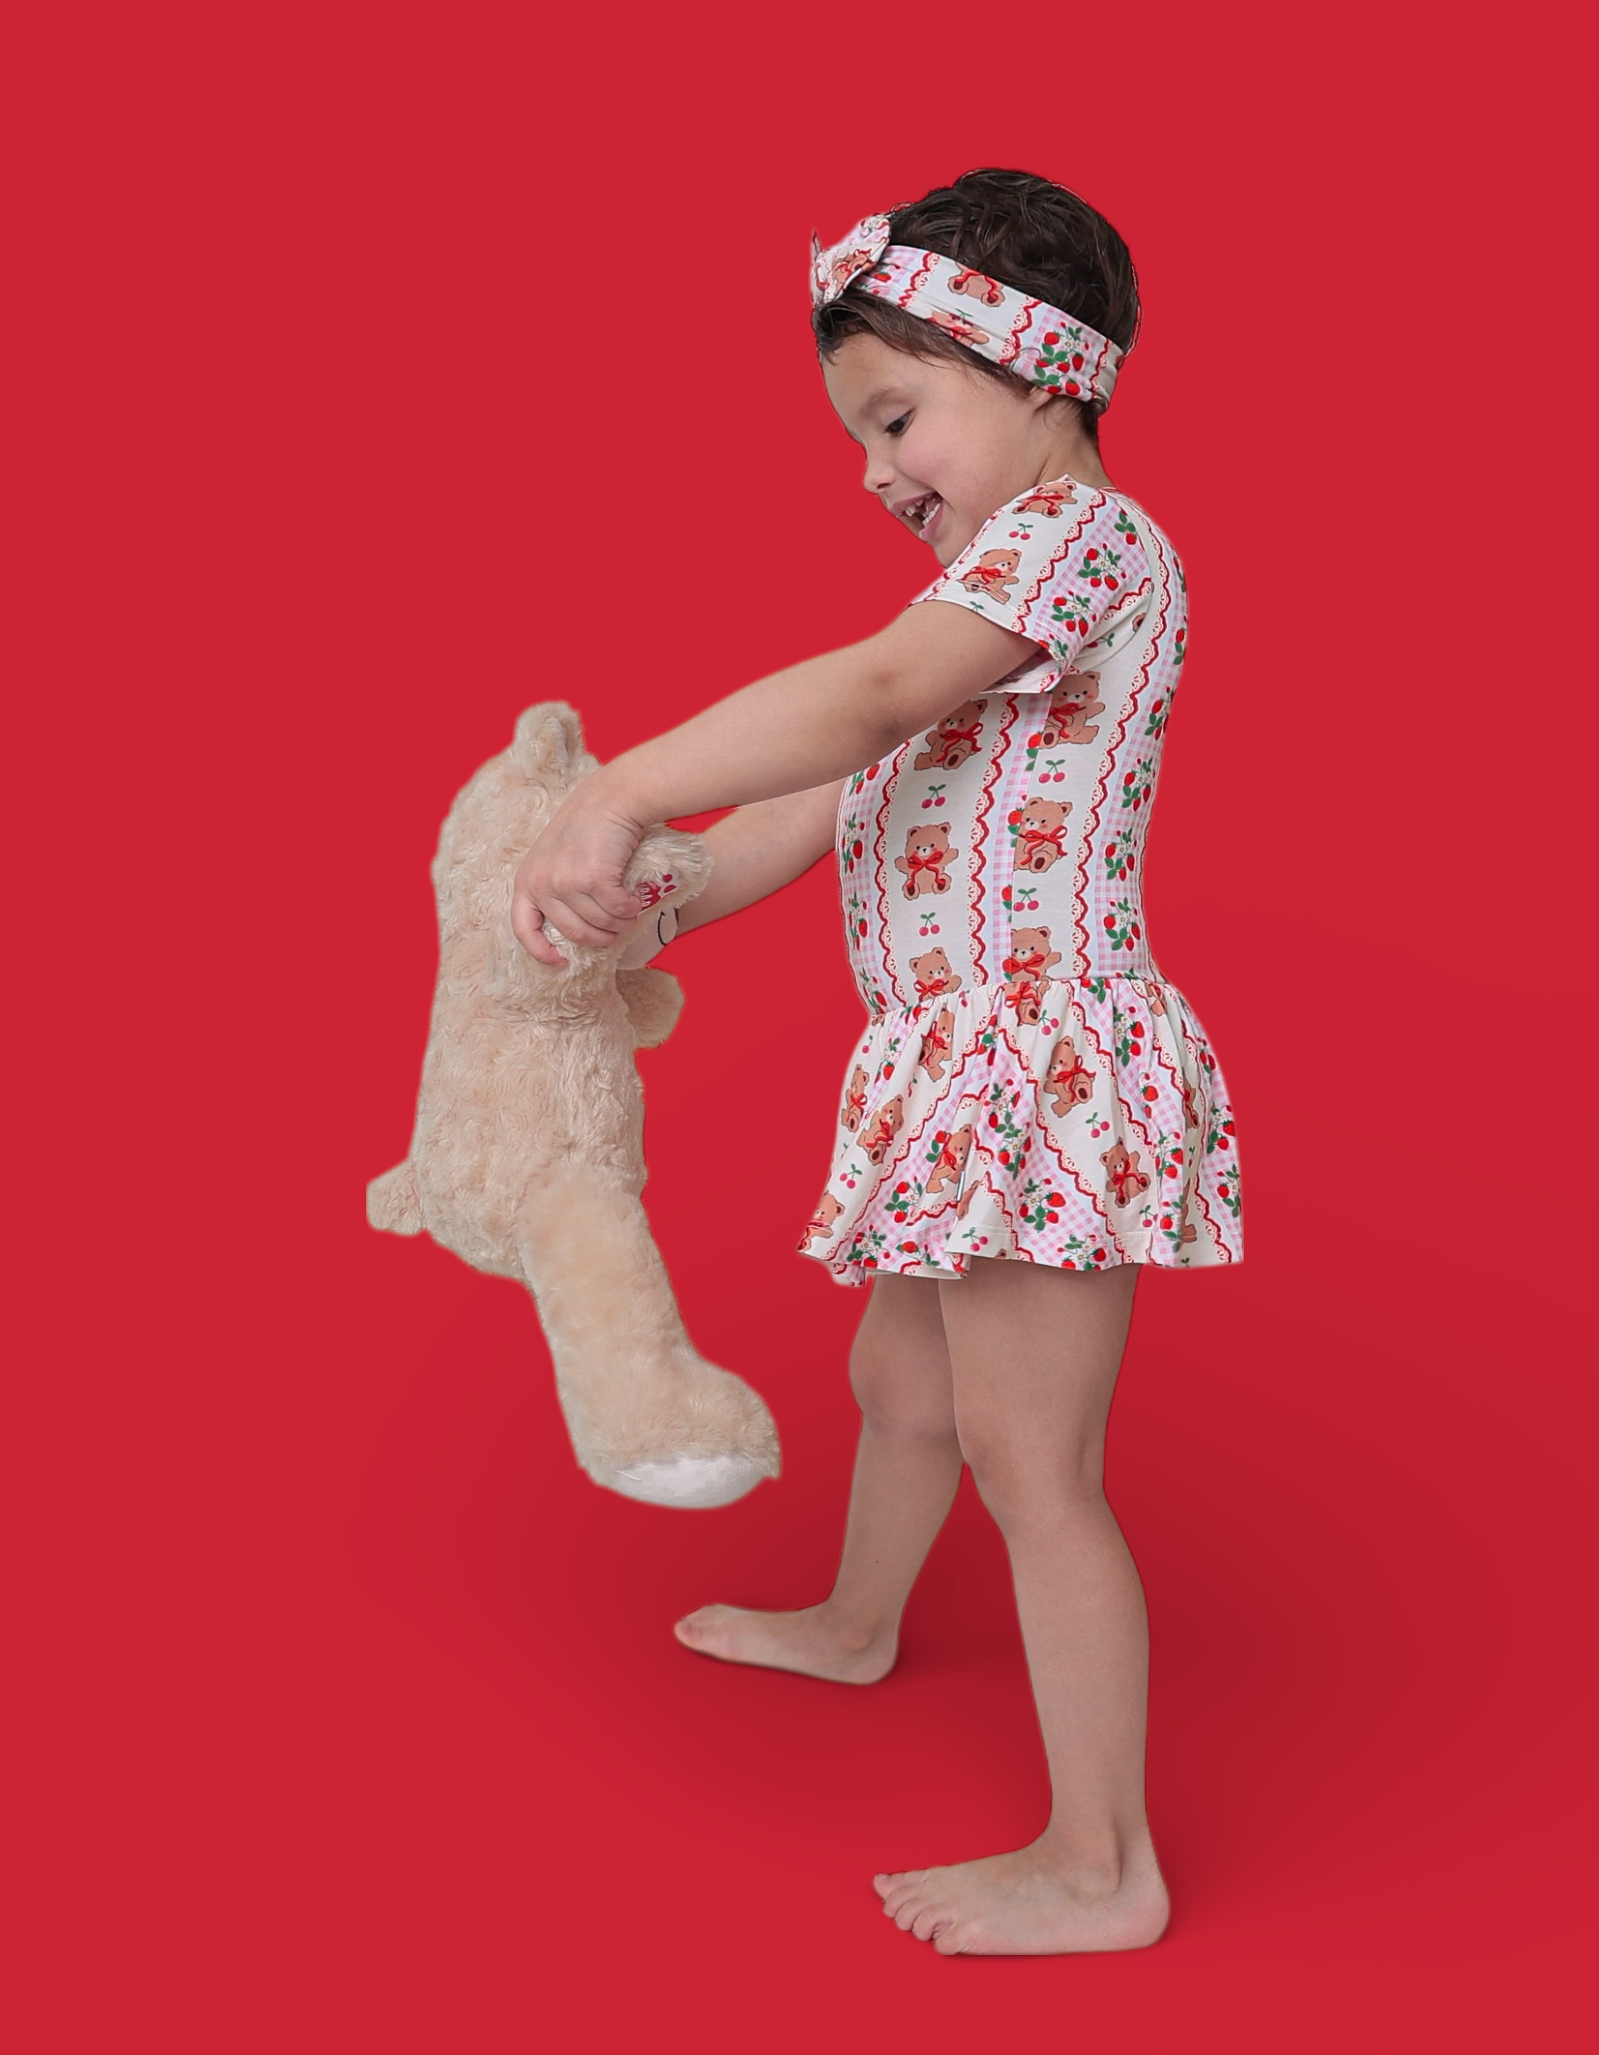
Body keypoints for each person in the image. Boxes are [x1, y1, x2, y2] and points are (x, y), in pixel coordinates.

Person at [510, 168, 1244, 1956]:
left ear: (1044, 375)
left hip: (1038, 1067)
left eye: (895, 417)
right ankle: (855, 1625)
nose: (870, 472)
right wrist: (644, 900)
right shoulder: (982, 614)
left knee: (1029, 1460)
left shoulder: (1075, 544)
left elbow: (860, 702)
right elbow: (810, 803)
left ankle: (1103, 1865)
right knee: (899, 1386)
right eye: (855, 435)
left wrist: (621, 786)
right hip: (956, 1069)